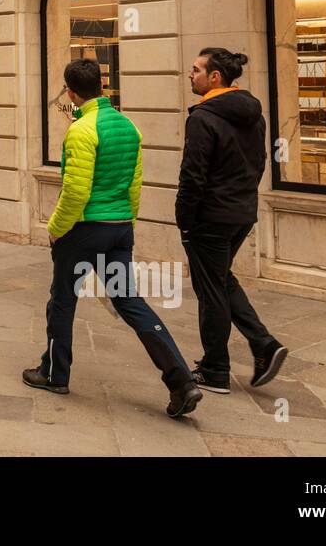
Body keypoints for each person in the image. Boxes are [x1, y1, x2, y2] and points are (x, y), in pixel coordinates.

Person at [22, 59, 203, 419]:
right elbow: (136, 181)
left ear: (71, 93)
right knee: (129, 301)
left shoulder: (81, 130)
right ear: (102, 87)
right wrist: (128, 220)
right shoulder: (127, 125)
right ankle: (181, 380)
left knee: (62, 301)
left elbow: (75, 190)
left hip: (85, 228)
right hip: (119, 226)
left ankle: (54, 374)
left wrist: (56, 228)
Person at [178, 48, 287, 394]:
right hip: (241, 212)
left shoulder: (202, 118)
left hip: (209, 217)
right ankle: (264, 344)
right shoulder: (254, 114)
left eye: (195, 70)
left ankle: (215, 369)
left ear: (214, 77)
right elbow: (259, 163)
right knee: (221, 280)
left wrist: (184, 217)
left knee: (210, 291)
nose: (190, 75)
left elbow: (192, 176)